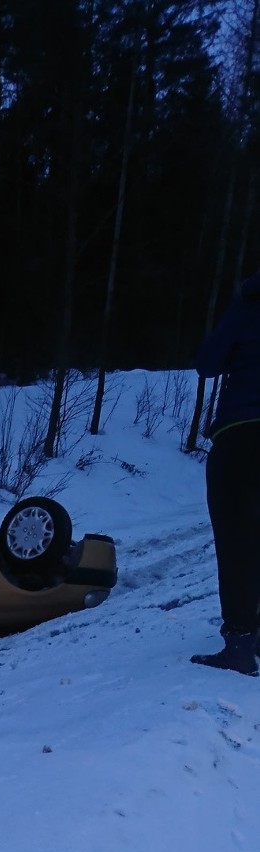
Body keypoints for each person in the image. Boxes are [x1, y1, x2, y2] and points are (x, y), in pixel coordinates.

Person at [192, 272, 260, 676]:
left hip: (241, 433)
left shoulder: (249, 305)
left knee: (237, 538)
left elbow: (207, 362)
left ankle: (239, 643)